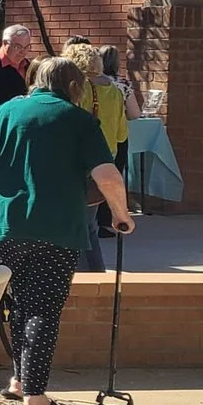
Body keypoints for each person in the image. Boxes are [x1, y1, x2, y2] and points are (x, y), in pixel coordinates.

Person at [0, 57, 134, 405]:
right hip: (58, 227)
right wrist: (121, 216)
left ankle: (18, 379)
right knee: (42, 309)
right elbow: (108, 176)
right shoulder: (79, 120)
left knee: (19, 304)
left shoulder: (4, 112)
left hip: (6, 225)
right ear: (75, 87)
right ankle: (36, 395)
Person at [64, 42, 132, 264]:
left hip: (78, 163)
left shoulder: (76, 89)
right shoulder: (114, 89)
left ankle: (86, 278)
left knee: (76, 227)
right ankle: (96, 273)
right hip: (106, 160)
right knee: (90, 226)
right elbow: (122, 134)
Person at [0, 24, 33, 106]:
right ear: (5, 43)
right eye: (17, 47)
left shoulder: (29, 67)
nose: (22, 52)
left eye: (26, 47)